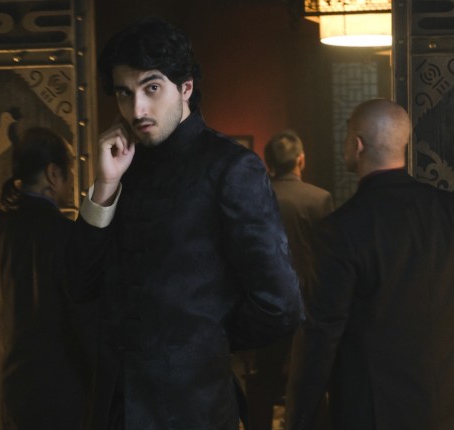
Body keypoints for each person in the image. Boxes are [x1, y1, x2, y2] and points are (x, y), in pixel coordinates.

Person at [68, 17, 303, 430]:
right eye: (124, 93)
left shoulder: (232, 168)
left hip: (193, 407)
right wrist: (104, 186)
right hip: (115, 408)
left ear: (186, 87)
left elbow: (281, 304)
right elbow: (77, 283)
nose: (137, 109)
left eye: (151, 88)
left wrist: (203, 341)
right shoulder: (121, 166)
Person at [285, 99, 454, 430]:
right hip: (452, 403)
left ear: (357, 145)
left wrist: (300, 416)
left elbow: (321, 335)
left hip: (375, 408)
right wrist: (432, 326)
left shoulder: (341, 229)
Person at [0, 127, 92, 430]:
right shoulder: (71, 238)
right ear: (53, 173)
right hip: (56, 408)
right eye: (70, 172)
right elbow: (88, 327)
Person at [243, 131, 333, 430]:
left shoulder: (255, 198)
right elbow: (327, 257)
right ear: (301, 160)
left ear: (268, 163)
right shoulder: (319, 199)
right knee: (309, 378)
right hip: (309, 302)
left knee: (264, 382)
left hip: (265, 304)